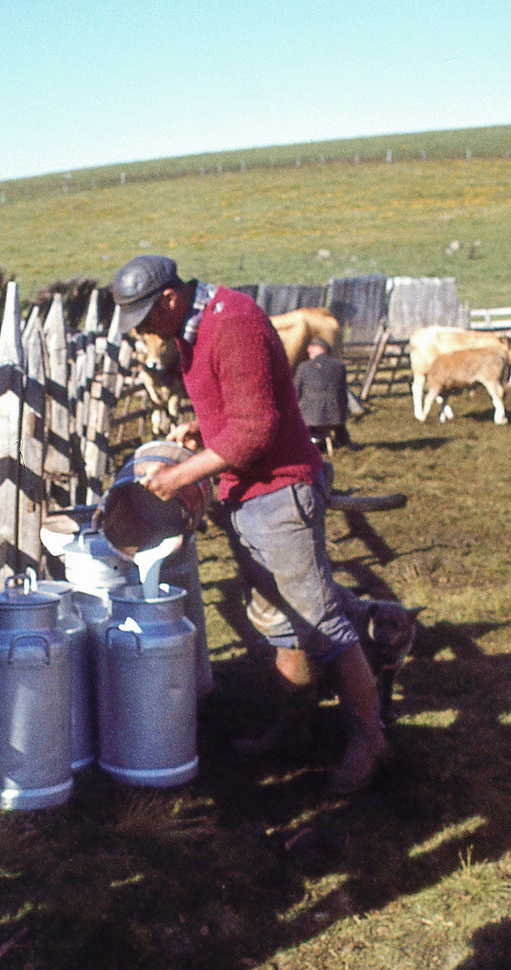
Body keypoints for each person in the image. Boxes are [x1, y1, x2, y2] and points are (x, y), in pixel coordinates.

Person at [110, 254, 390, 792]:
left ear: (170, 298)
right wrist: (203, 430)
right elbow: (241, 409)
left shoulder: (232, 322)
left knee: (322, 623)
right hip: (248, 492)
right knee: (282, 620)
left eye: (145, 319)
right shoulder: (194, 329)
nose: (144, 332)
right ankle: (294, 728)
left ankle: (369, 739)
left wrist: (181, 475)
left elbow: (257, 430)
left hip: (279, 491)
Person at [293, 338, 355, 451]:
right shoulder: (340, 367)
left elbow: (295, 392)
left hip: (311, 418)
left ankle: (310, 442)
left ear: (317, 348)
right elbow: (343, 393)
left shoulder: (304, 367)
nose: (308, 353)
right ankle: (343, 440)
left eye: (310, 351)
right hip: (336, 417)